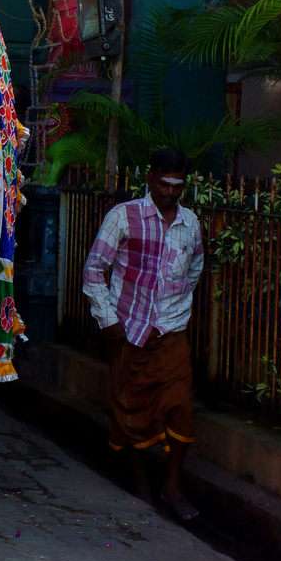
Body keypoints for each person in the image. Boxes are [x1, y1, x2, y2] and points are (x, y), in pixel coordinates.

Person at [83, 147, 207, 522]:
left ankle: (172, 488)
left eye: (178, 185)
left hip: (171, 331)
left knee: (181, 407)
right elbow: (94, 269)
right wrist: (108, 319)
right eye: (165, 183)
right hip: (129, 331)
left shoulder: (190, 224)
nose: (171, 192)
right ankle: (140, 485)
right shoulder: (124, 217)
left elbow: (195, 267)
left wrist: (176, 307)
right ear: (151, 179)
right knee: (130, 410)